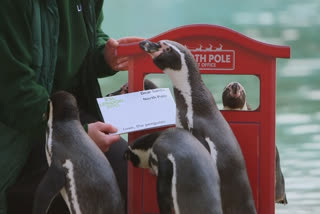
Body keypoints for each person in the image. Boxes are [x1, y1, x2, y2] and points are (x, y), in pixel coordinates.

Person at [0, 0, 142, 213]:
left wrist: (106, 55)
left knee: (133, 173)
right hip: (19, 136)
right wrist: (78, 138)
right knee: (97, 183)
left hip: (68, 117)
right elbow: (13, 90)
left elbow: (89, 38)